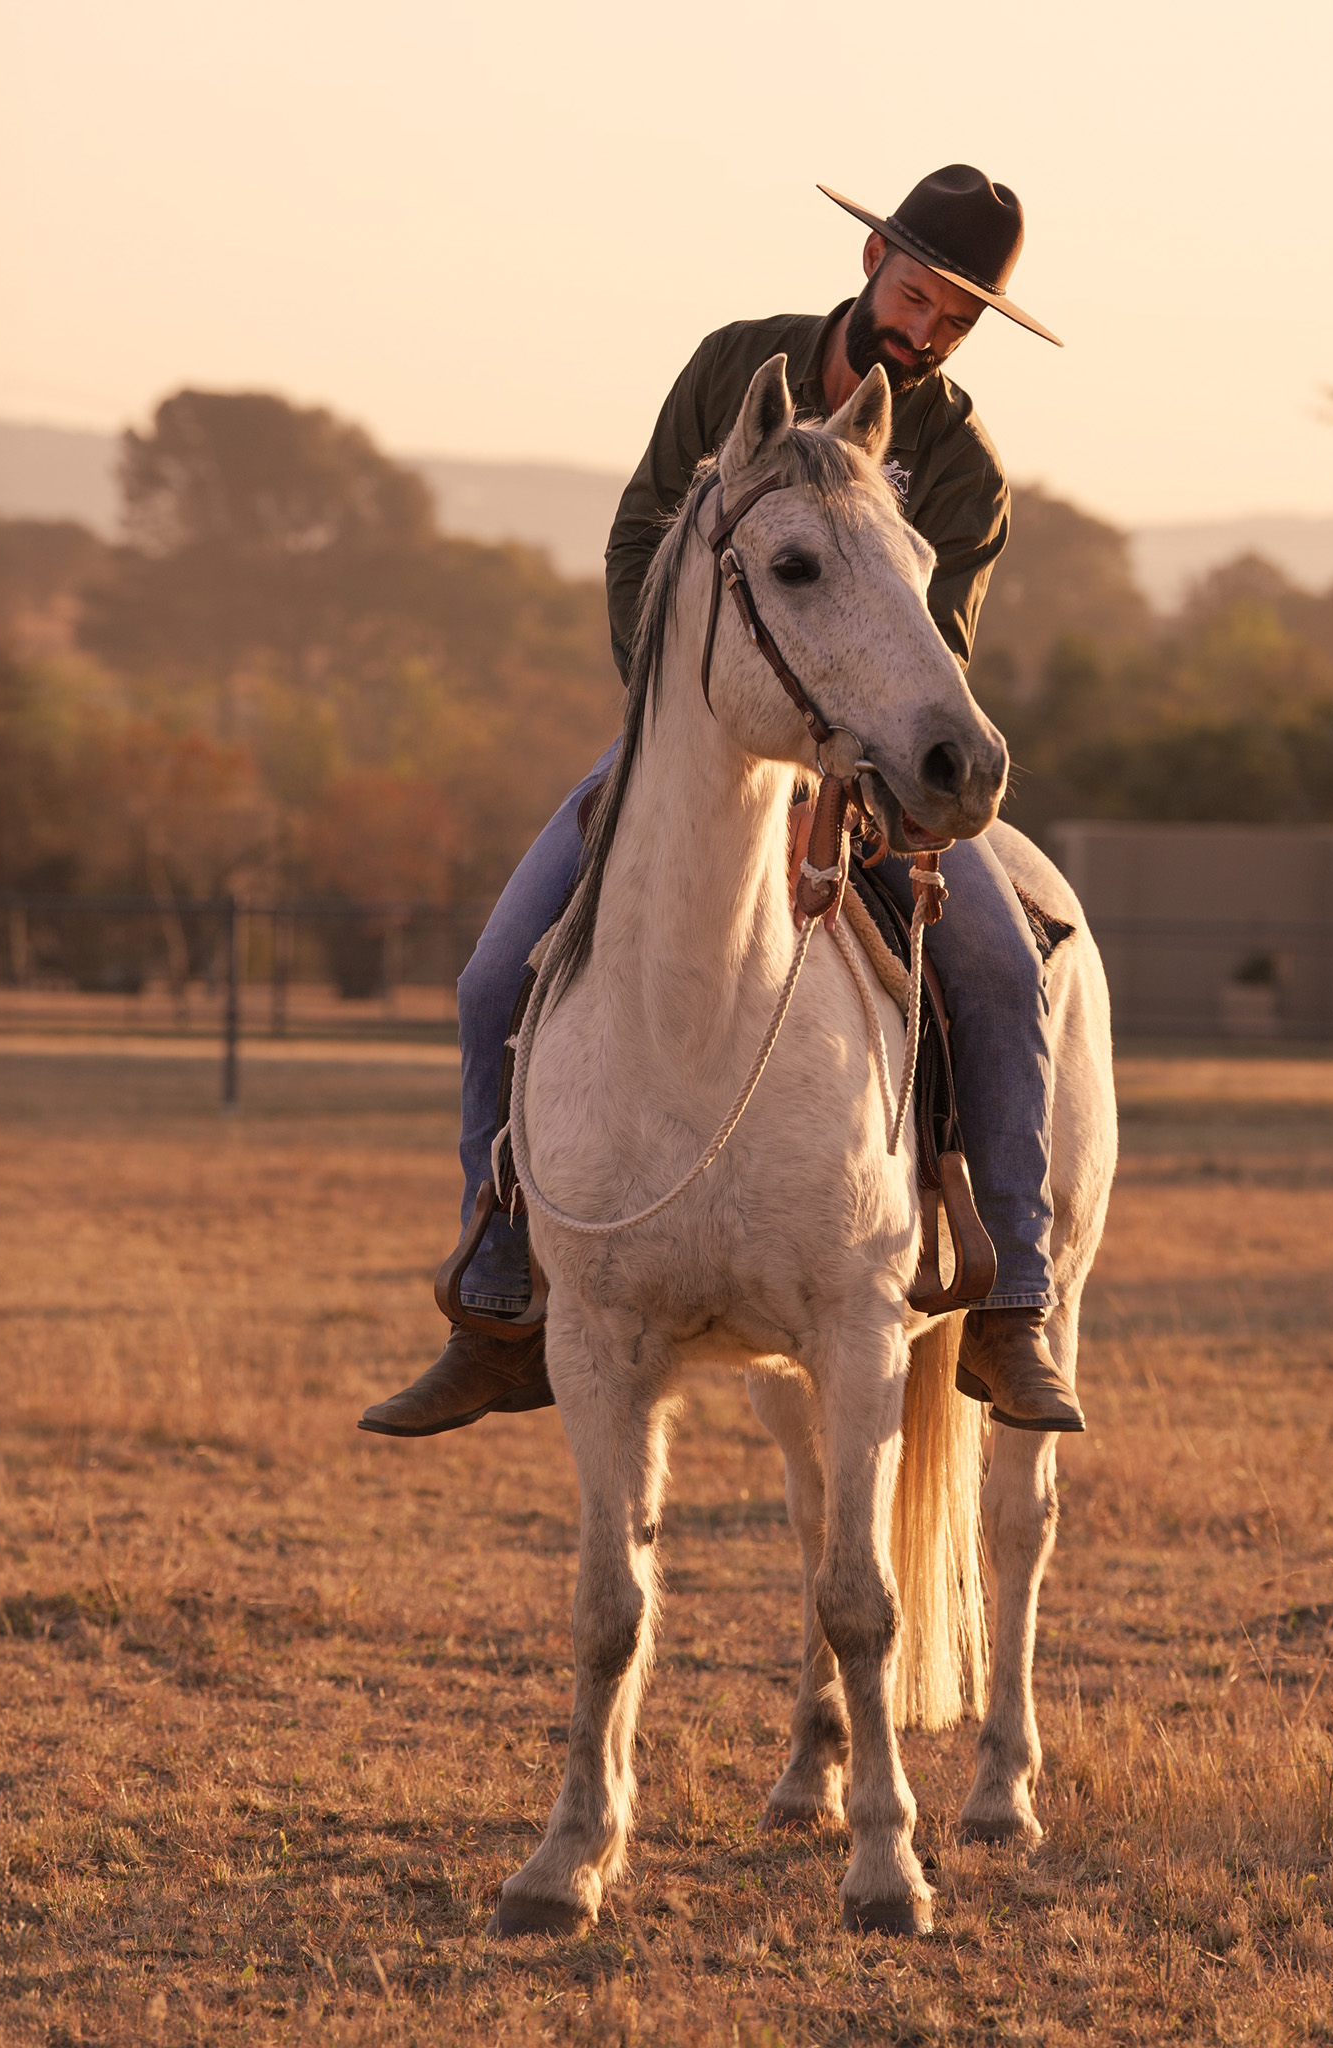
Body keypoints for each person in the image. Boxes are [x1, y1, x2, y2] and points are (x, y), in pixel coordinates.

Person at [360, 165, 1082, 1438]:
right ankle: (499, 1288)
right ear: (871, 259)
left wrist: (854, 776)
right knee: (489, 981)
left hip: (862, 763)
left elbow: (936, 644)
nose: (926, 334)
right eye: (919, 297)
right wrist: (676, 709)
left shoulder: (958, 461)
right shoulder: (728, 370)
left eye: (959, 322)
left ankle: (1011, 1296)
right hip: (686, 733)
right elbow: (637, 536)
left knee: (1001, 970)